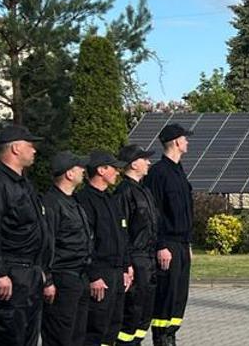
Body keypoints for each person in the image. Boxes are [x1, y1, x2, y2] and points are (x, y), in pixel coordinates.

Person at [0, 125, 46, 346]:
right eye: (30, 145)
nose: (34, 150)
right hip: (12, 273)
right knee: (10, 336)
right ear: (16, 148)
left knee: (28, 336)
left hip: (30, 273)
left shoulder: (24, 183)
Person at [78, 152, 133, 346]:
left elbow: (122, 235)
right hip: (100, 274)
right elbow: (85, 242)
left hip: (116, 273)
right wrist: (93, 275)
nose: (118, 172)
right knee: (96, 327)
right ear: (101, 170)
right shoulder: (85, 200)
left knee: (113, 326)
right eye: (113, 168)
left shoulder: (111, 200)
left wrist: (126, 266)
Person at [148, 124, 195, 346]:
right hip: (168, 244)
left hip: (182, 244)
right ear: (176, 142)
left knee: (179, 295)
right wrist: (161, 245)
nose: (187, 142)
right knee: (166, 294)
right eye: (185, 138)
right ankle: (161, 337)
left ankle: (171, 335)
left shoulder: (179, 171)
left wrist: (189, 244)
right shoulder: (158, 173)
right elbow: (154, 213)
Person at [41, 154, 92, 346]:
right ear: (69, 174)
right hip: (63, 277)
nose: (83, 171)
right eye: (79, 168)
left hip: (79, 276)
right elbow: (47, 244)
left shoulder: (73, 201)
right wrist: (48, 280)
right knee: (60, 336)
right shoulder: (52, 203)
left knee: (77, 336)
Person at [116, 144, 162, 344]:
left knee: (144, 314)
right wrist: (126, 263)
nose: (149, 162)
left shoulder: (144, 190)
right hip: (135, 259)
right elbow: (121, 232)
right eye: (145, 159)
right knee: (132, 312)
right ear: (134, 164)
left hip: (148, 259)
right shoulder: (124, 192)